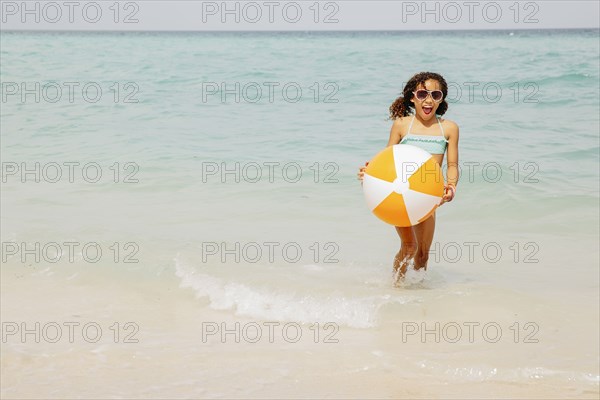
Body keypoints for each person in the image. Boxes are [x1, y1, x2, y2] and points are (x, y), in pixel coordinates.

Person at [358, 72, 459, 282]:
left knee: (422, 256)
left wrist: (451, 185)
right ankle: (396, 287)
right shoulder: (402, 125)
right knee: (409, 247)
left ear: (441, 99)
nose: (428, 100)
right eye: (422, 94)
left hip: (428, 198)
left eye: (435, 94)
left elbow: (451, 165)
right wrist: (369, 173)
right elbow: (387, 158)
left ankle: (419, 298)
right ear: (412, 97)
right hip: (399, 193)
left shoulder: (449, 128)